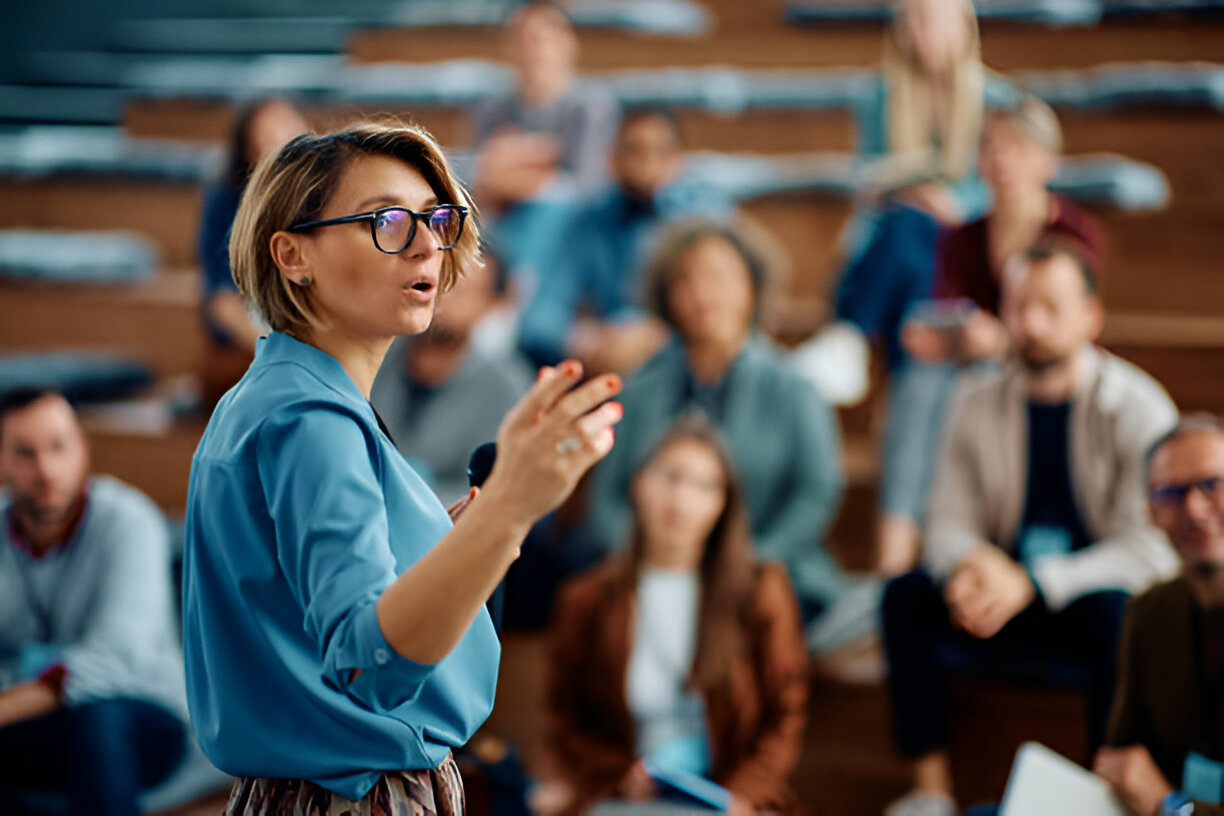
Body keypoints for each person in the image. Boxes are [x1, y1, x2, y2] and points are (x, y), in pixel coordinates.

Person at [181, 121, 624, 813]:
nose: (425, 244)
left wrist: (472, 526)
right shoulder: (310, 419)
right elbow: (369, 663)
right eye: (387, 220)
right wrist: (508, 507)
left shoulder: (282, 395)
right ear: (293, 254)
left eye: (436, 219)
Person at [881, 240, 1180, 816]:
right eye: (1019, 306)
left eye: (1051, 306)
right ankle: (931, 790)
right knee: (904, 596)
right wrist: (976, 565)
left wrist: (1036, 581)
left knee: (1119, 616)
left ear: (1091, 316)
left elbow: (1150, 548)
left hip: (1080, 598)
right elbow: (944, 522)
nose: (1032, 323)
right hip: (996, 597)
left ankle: (1104, 794)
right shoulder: (972, 398)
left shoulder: (1137, 406)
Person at [875, 98, 1105, 574]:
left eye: (1016, 148)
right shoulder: (964, 236)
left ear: (1048, 159)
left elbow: (1070, 324)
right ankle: (894, 551)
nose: (1000, 159)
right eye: (990, 147)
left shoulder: (1073, 232)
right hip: (973, 363)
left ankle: (947, 545)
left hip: (1041, 362)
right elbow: (950, 311)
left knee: (962, 382)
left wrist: (999, 339)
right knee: (921, 378)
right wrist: (938, 336)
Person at [586, 218, 848, 629]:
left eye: (718, 276)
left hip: (763, 571)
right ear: (666, 297)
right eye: (684, 280)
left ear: (751, 285)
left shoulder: (794, 388)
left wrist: (745, 563)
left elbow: (815, 493)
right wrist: (650, 562)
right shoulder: (638, 391)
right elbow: (607, 500)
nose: (702, 293)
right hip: (649, 576)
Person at [545, 415, 807, 815]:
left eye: (705, 486)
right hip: (628, 797)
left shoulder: (759, 590)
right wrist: (618, 775)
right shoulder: (588, 598)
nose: (682, 499)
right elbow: (567, 720)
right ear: (638, 483)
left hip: (729, 798)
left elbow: (785, 712)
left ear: (723, 504)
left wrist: (745, 796)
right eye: (671, 476)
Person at [796, 0, 1016, 403]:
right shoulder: (879, 96)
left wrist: (952, 202)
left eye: (930, 19)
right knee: (912, 236)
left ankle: (851, 336)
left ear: (961, 25)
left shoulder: (997, 100)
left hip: (965, 240)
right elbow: (866, 180)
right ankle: (908, 381)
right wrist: (913, 194)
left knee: (913, 236)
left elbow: (1004, 186)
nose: (921, 30)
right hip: (899, 233)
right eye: (910, 20)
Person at [0, 388, 188, 816]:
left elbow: (111, 659)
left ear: (83, 449)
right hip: (35, 723)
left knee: (97, 711)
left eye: (58, 447)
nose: (45, 470)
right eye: (25, 453)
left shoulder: (129, 522)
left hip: (142, 716)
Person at [517, 106, 734, 374]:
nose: (646, 162)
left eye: (659, 151)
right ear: (611, 158)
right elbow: (538, 319)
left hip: (683, 365)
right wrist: (584, 339)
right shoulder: (589, 222)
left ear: (679, 161)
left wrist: (655, 336)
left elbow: (725, 312)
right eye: (633, 150)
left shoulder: (703, 221)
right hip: (606, 364)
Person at [1094, 415, 1224, 816]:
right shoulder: (1148, 614)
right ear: (1150, 513)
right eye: (1170, 494)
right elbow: (1122, 761)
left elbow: (1154, 797)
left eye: (1212, 485)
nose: (1194, 509)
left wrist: (1170, 806)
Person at [471, 0, 620, 287]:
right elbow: (481, 183)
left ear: (570, 43)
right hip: (504, 222)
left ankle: (518, 296)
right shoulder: (490, 108)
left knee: (555, 207)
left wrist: (517, 169)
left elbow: (586, 189)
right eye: (522, 37)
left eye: (544, 37)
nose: (534, 48)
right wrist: (540, 160)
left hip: (570, 231)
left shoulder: (592, 107)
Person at [370, 251, 532, 506]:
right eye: (443, 281)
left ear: (491, 304)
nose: (448, 297)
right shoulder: (376, 352)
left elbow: (490, 490)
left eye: (466, 290)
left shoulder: (506, 387)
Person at [196, 97, 310, 406]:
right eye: (271, 138)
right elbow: (221, 302)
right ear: (250, 155)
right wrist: (278, 348)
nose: (287, 144)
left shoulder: (325, 198)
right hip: (252, 346)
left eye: (291, 129)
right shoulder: (226, 204)